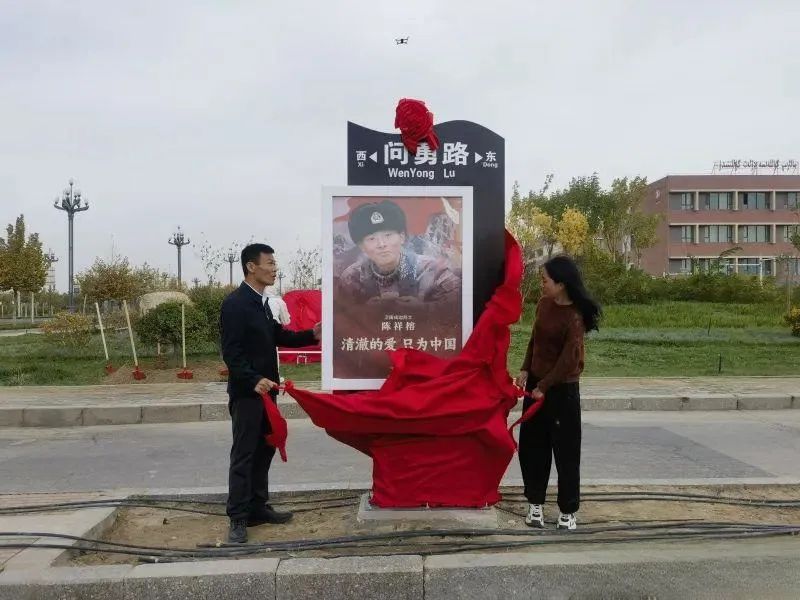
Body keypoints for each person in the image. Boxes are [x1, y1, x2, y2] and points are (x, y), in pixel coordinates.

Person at [220, 243, 321, 543]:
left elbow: (278, 336)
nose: (275, 269)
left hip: (268, 392)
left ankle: (257, 507)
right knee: (244, 453)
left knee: (266, 449)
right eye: (270, 263)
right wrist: (253, 379)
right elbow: (231, 352)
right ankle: (238, 517)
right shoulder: (235, 304)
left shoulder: (263, 303)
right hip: (248, 394)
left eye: (275, 263)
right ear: (252, 267)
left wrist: (312, 334)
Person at [514, 255, 601, 531]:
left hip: (562, 390)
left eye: (545, 280)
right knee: (533, 448)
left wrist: (544, 386)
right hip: (536, 384)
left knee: (566, 452)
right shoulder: (544, 304)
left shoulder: (575, 316)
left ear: (561, 284)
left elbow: (568, 360)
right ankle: (535, 504)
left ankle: (567, 510)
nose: (542, 284)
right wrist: (526, 369)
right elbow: (535, 339)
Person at [336, 200, 460, 306]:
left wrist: (422, 310)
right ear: (362, 247)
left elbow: (457, 309)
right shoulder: (351, 278)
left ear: (402, 237)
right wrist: (365, 312)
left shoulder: (434, 270)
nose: (381, 244)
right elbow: (342, 317)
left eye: (388, 235)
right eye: (372, 239)